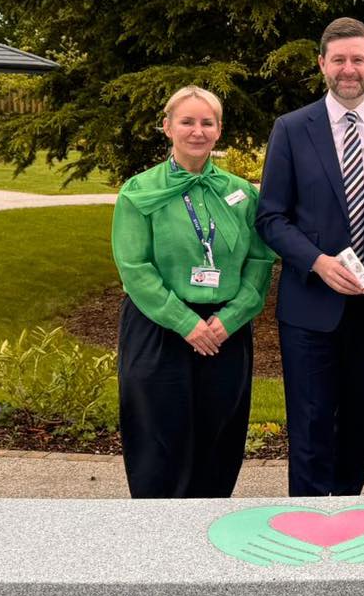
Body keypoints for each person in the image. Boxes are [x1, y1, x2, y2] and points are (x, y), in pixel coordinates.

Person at [257, 17, 364, 496]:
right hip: (309, 305)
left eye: (357, 59)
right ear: (322, 65)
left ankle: (348, 515)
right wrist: (317, 261)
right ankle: (309, 522)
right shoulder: (291, 129)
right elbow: (270, 217)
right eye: (338, 60)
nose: (348, 69)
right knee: (309, 423)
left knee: (358, 422)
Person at [110, 85, 275, 498]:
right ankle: (160, 525)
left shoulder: (242, 194)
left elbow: (260, 262)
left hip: (224, 332)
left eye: (207, 123)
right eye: (187, 122)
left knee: (219, 435)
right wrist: (186, 323)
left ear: (219, 130)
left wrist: (231, 319)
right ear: (167, 127)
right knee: (158, 438)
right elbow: (135, 268)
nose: (197, 131)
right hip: (159, 328)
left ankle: (209, 520)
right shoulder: (138, 191)